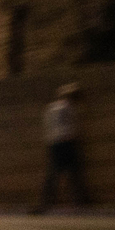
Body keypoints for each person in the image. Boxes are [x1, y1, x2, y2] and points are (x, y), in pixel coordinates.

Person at [33, 82, 88, 212]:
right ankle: (79, 200)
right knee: (74, 172)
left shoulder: (50, 108)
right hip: (67, 142)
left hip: (54, 143)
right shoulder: (69, 107)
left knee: (53, 174)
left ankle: (46, 201)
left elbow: (47, 127)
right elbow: (72, 126)